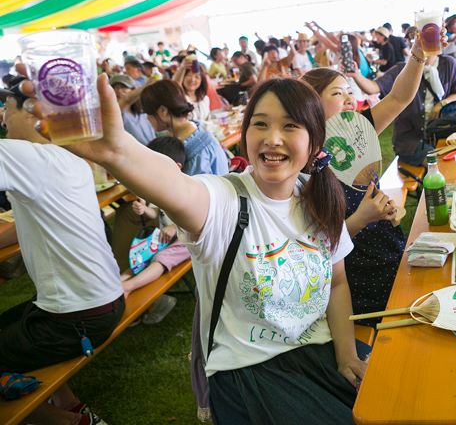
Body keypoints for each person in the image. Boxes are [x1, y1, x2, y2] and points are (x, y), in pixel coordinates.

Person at [29, 75, 369, 425]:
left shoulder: (319, 199)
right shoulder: (224, 200)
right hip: (250, 371)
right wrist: (118, 152)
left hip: (320, 353)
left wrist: (346, 354)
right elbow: (175, 186)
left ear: (315, 142)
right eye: (260, 124)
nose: (272, 138)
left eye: (290, 126)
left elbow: (337, 282)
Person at [0, 84, 123, 425]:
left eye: (6, 111)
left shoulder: (18, 154)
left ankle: (71, 423)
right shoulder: (69, 159)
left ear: (31, 114)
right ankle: (69, 403)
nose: (3, 119)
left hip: (74, 319)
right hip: (104, 303)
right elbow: (28, 221)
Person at [302, 35, 427, 323]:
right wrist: (364, 217)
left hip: (390, 252)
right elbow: (315, 248)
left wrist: (418, 54)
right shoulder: (303, 165)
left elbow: (398, 97)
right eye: (337, 94)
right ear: (309, 104)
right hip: (356, 281)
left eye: (350, 91)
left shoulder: (354, 133)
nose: (350, 99)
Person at [119, 137, 190, 326]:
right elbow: (157, 212)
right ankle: (116, 285)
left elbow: (193, 216)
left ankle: (128, 286)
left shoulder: (185, 186)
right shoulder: (160, 187)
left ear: (176, 166)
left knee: (161, 259)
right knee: (140, 256)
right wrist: (145, 211)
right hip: (164, 237)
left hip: (185, 239)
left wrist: (174, 227)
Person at [140, 79, 228, 176]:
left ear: (163, 111)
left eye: (148, 113)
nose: (147, 118)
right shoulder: (195, 128)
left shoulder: (191, 151)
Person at [110, 74, 155, 145]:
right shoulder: (114, 112)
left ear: (133, 90)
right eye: (114, 88)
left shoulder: (142, 112)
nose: (118, 91)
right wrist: (146, 86)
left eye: (123, 87)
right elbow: (126, 100)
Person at [178, 57, 211, 122]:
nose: (192, 80)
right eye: (189, 75)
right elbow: (175, 87)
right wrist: (182, 68)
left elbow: (208, 121)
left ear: (202, 80)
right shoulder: (180, 99)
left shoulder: (204, 99)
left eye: (197, 77)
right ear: (183, 77)